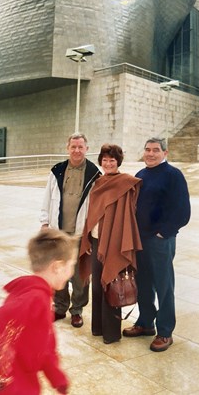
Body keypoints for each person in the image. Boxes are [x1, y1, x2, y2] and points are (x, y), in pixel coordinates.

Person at [0, 228, 78, 395]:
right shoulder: (35, 299)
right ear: (57, 267)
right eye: (71, 266)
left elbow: (45, 342)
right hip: (14, 389)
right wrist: (1, 380)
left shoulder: (37, 295)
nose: (72, 272)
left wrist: (57, 378)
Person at [122, 137, 191, 352]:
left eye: (155, 150)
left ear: (165, 153)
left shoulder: (173, 175)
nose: (150, 154)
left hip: (160, 241)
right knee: (143, 284)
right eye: (147, 150)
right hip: (140, 240)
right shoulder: (141, 175)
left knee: (164, 285)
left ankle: (165, 331)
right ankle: (145, 323)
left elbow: (182, 211)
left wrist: (164, 233)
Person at [79, 144, 142, 344]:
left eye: (112, 160)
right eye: (105, 160)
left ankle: (111, 333)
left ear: (118, 162)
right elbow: (91, 213)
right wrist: (87, 238)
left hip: (114, 242)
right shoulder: (97, 183)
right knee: (97, 286)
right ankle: (97, 327)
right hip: (96, 240)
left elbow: (127, 215)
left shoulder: (125, 183)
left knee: (112, 285)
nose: (108, 164)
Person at [40, 132, 101, 327]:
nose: (76, 150)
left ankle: (77, 310)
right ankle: (59, 308)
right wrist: (44, 223)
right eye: (73, 147)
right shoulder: (56, 170)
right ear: (68, 148)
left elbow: (97, 207)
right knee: (58, 272)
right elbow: (47, 198)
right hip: (58, 233)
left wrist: (91, 235)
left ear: (86, 149)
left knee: (79, 274)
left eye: (80, 147)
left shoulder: (94, 174)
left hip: (80, 234)